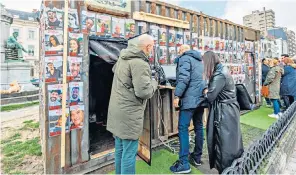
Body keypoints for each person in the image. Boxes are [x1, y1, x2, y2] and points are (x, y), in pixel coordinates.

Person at [107, 34, 158, 175]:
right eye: (152, 47)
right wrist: (154, 82)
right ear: (148, 47)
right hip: (129, 115)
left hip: (117, 111)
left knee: (120, 150)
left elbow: (114, 71)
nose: (152, 50)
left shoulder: (123, 58)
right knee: (129, 154)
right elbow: (144, 92)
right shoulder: (140, 63)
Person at [202, 51, 244, 174]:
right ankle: (234, 166)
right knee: (231, 139)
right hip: (229, 109)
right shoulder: (222, 69)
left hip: (224, 111)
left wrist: (205, 92)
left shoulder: (219, 74)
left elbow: (210, 96)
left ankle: (226, 169)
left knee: (223, 140)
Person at [170, 45, 205, 174]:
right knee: (199, 127)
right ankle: (197, 157)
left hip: (189, 100)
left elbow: (184, 78)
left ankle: (184, 163)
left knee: (183, 128)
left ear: (181, 51)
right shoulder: (199, 60)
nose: (178, 54)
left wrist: (177, 95)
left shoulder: (185, 58)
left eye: (179, 51)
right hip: (200, 99)